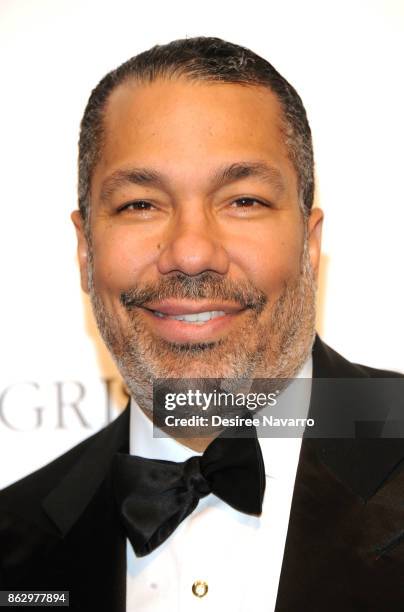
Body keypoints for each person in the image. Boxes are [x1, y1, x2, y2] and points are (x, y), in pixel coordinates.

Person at [1, 37, 403, 612]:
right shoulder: (14, 541)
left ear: (309, 245)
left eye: (243, 200)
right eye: (140, 204)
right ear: (86, 253)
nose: (191, 253)